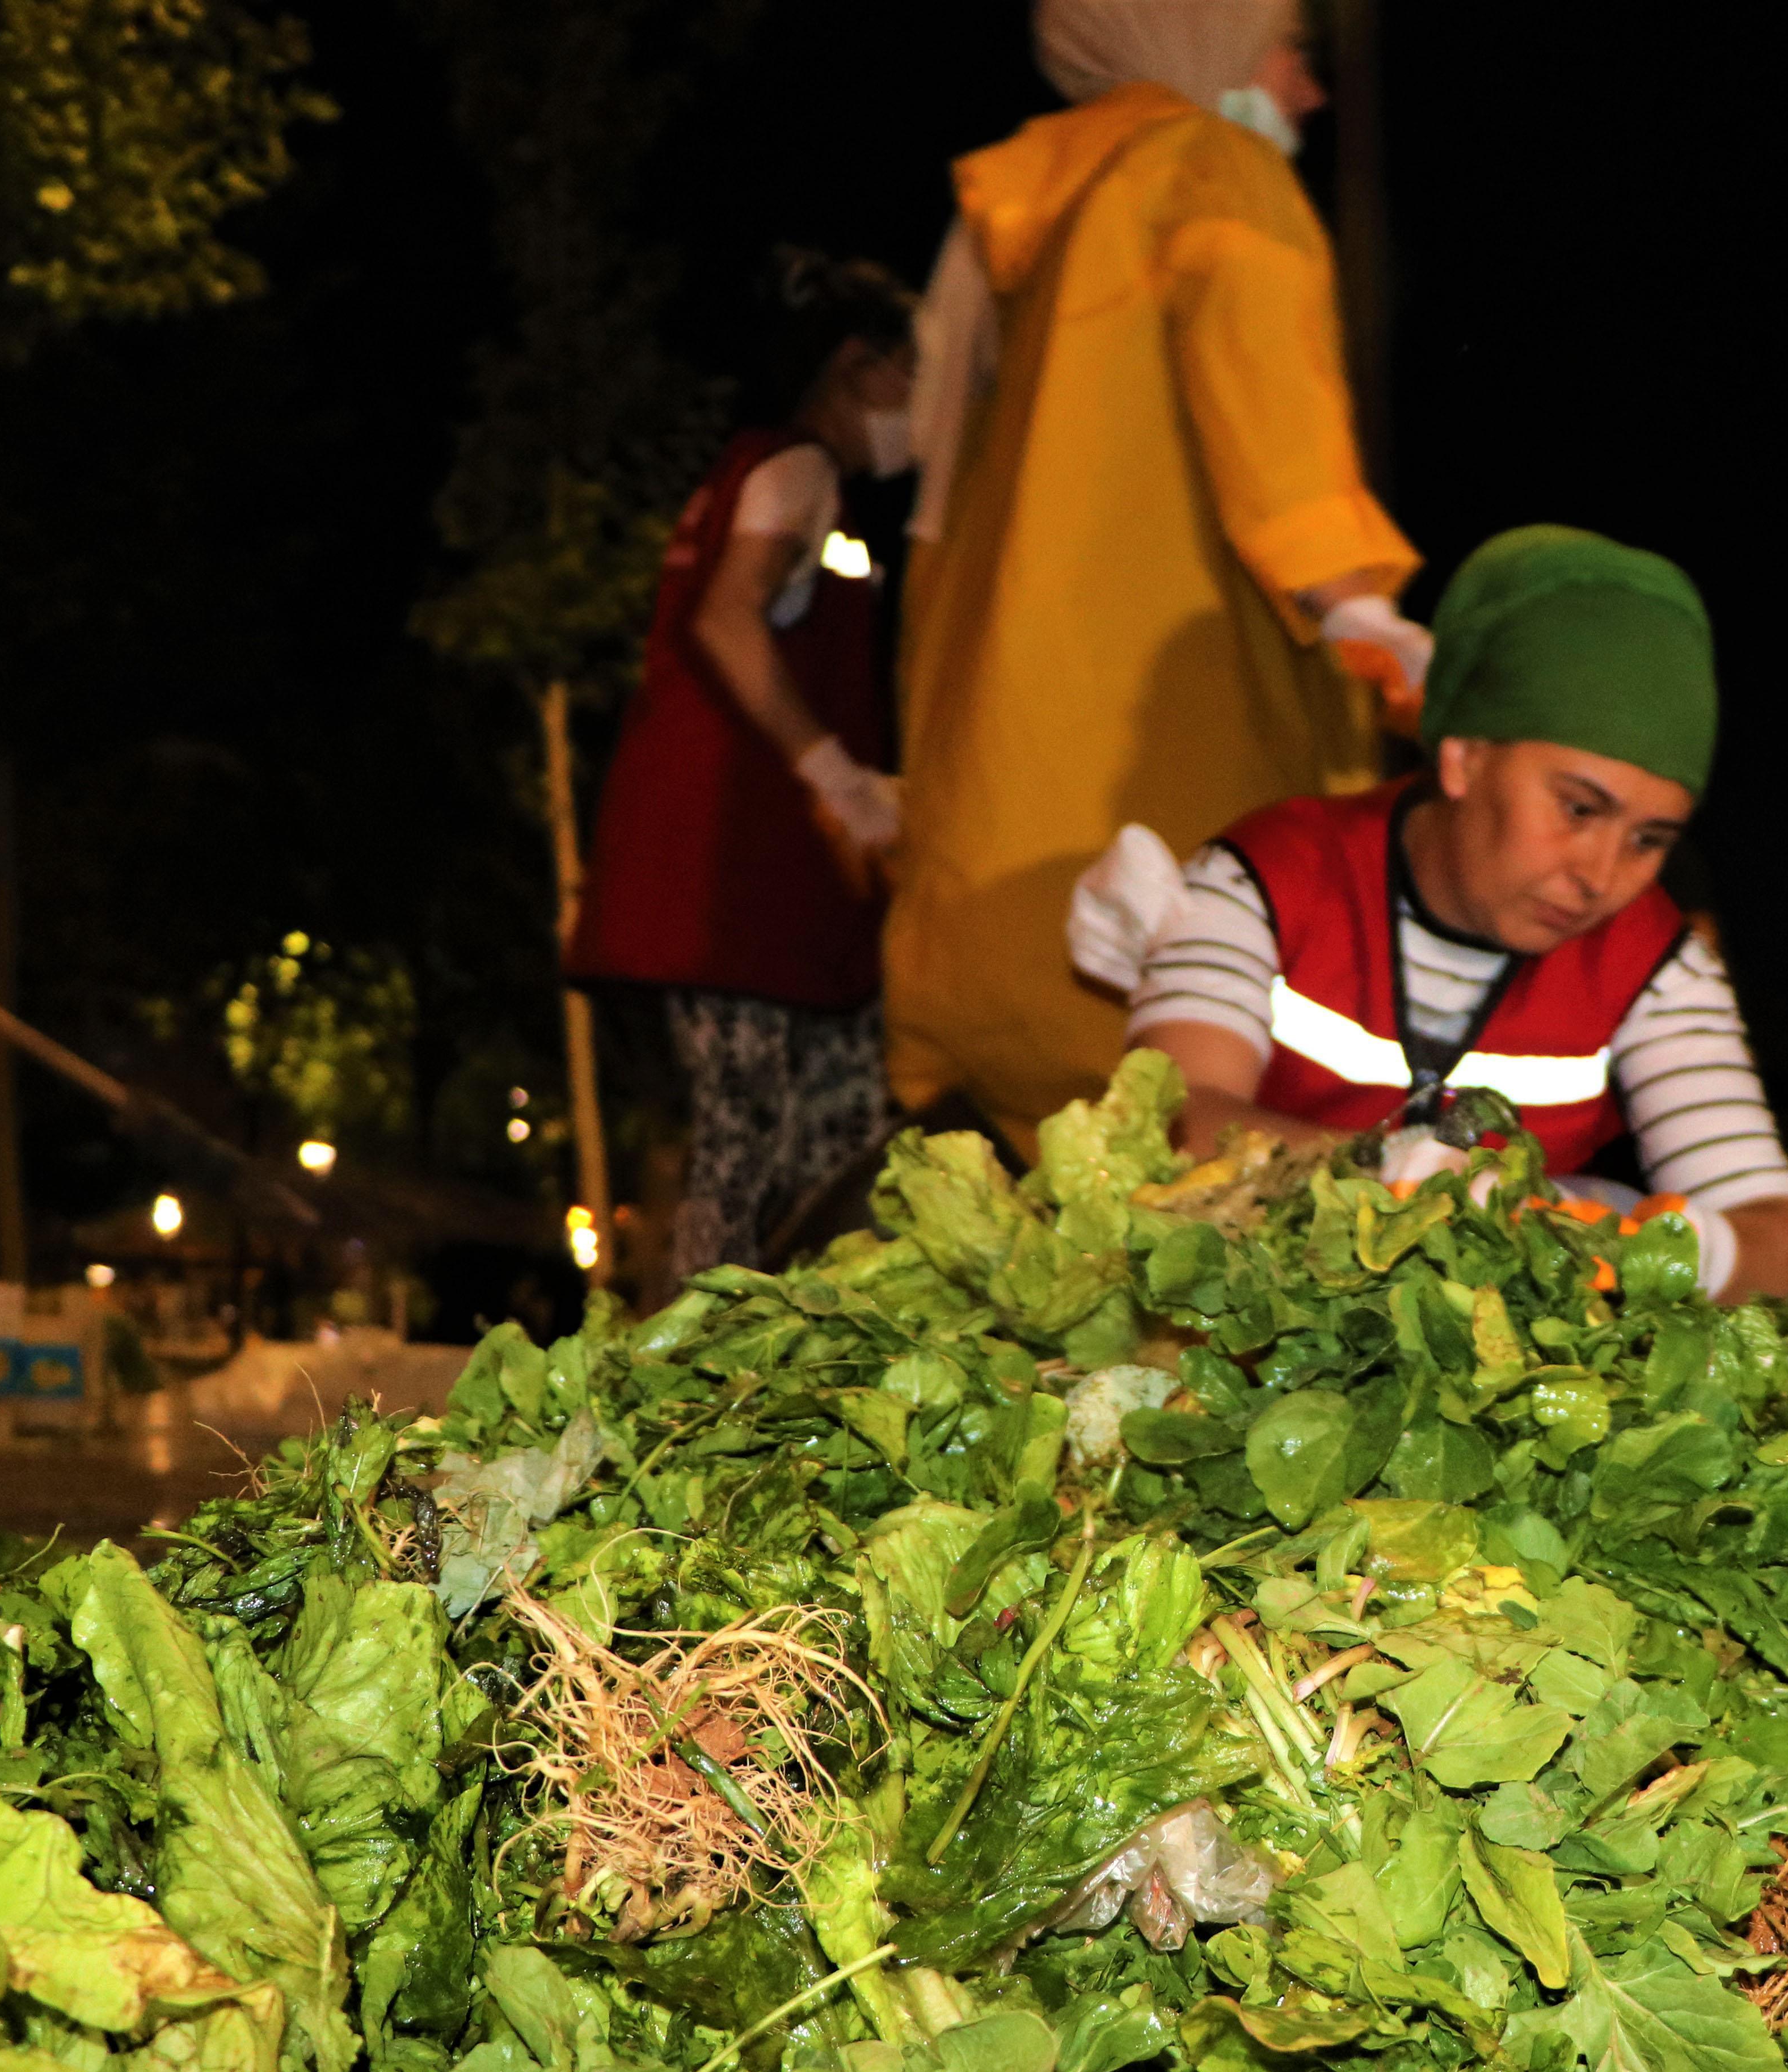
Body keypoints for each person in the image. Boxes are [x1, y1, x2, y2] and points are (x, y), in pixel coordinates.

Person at [888, 0, 1425, 1157]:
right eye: (1290, 54)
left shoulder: (1009, 232)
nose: (1308, 93)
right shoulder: (1211, 170)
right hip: (1177, 808)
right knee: (1194, 1219)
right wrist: (1362, 604)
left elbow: (931, 529)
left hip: (995, 861)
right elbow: (1266, 391)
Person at [1077, 525, 1788, 1303]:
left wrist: (1632, 1237)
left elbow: (1776, 1246)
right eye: (1577, 808)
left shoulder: (1656, 962)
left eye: (1649, 839)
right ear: (1464, 755)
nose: (1601, 875)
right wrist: (1392, 1174)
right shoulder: (1263, 879)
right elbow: (1177, 1118)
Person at [567, 253, 914, 1277]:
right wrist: (840, 781)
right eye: (915, 372)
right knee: (752, 1146)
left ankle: (790, 1349)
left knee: (812, 1143)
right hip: (739, 888)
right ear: (856, 365)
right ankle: (704, 1371)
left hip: (750, 894)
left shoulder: (759, 477)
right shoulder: (795, 469)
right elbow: (728, 619)